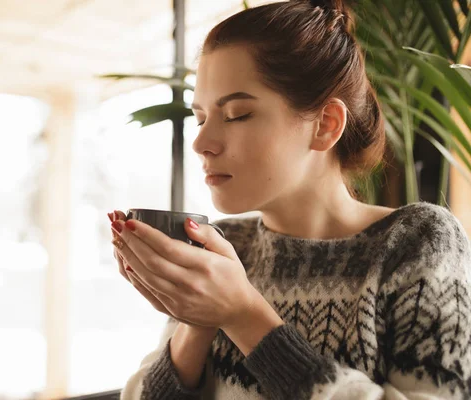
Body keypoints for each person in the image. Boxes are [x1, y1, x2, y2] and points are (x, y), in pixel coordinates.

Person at [108, 0, 471, 399]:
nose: (201, 142)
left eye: (237, 114)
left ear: (325, 125)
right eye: (201, 118)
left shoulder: (416, 243)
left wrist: (244, 316)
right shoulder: (225, 246)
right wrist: (197, 319)